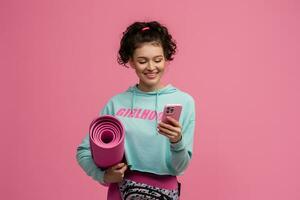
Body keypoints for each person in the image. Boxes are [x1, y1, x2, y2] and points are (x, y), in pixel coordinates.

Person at [76, 20, 196, 200]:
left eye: (158, 59)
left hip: (165, 192)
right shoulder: (117, 103)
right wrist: (104, 176)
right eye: (142, 61)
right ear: (131, 61)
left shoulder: (183, 102)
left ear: (166, 58)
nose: (151, 67)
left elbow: (181, 167)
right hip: (122, 192)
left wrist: (177, 141)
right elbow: (83, 151)